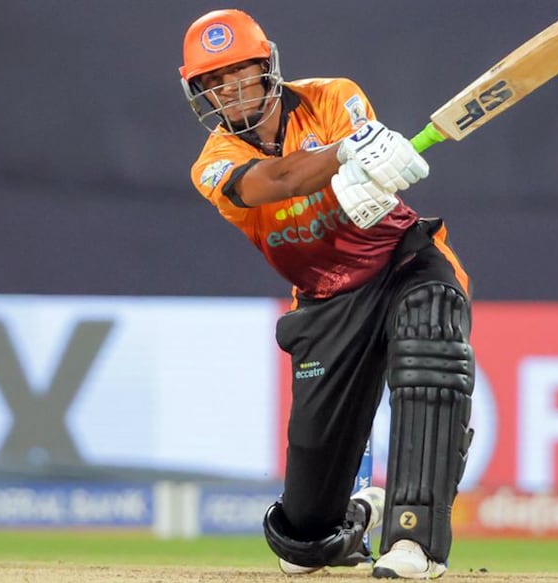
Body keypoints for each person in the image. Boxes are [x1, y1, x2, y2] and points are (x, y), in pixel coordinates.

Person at [180, 9, 476, 580]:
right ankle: (353, 520)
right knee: (305, 539)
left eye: (240, 73)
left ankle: (413, 540)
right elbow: (277, 182)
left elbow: (364, 147)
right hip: (326, 300)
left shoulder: (331, 96)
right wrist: (346, 160)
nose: (230, 91)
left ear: (268, 69)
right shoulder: (214, 163)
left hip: (402, 261)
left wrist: (376, 165)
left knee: (429, 346)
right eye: (214, 83)